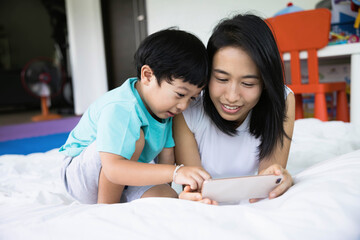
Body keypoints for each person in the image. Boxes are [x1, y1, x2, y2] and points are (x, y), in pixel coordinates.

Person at [59, 28, 211, 204]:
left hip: (124, 175)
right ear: (147, 76)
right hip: (82, 176)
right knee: (135, 138)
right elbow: (113, 169)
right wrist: (177, 172)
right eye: (180, 94)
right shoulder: (122, 107)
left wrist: (170, 182)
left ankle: (119, 201)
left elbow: (166, 157)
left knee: (167, 197)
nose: (184, 106)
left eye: (192, 98)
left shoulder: (165, 109)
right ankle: (106, 208)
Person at [173, 14, 296, 204]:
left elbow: (267, 182)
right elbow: (196, 188)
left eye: (248, 83)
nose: (231, 96)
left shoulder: (281, 99)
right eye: (221, 79)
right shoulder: (187, 106)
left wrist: (277, 178)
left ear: (265, 83)